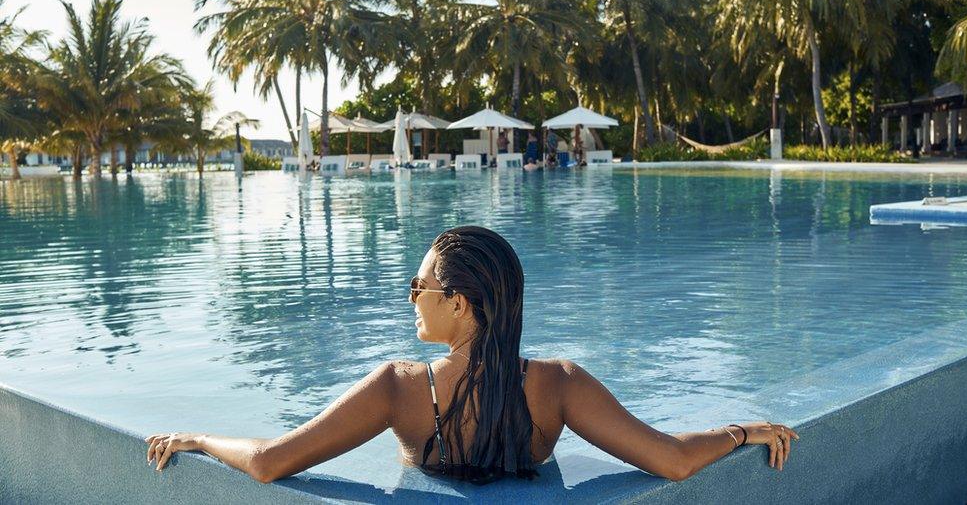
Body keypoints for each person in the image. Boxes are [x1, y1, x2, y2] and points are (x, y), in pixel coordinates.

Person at [145, 227, 799, 484]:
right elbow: (674, 459)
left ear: (458, 302)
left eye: (418, 285)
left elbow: (268, 461)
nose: (410, 295)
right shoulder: (556, 384)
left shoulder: (397, 388)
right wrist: (743, 430)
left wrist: (198, 437)